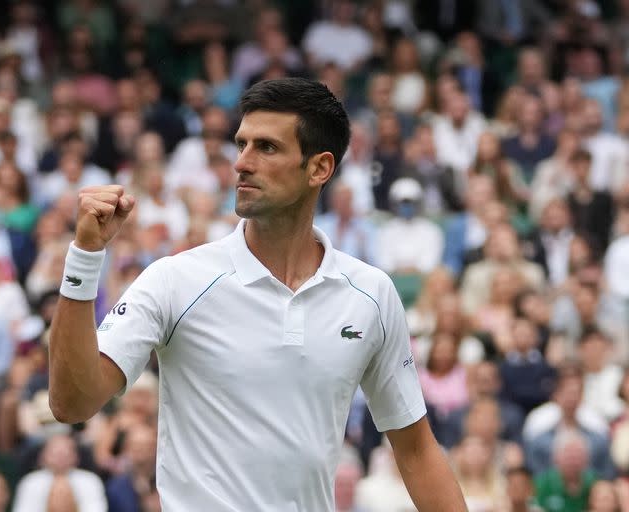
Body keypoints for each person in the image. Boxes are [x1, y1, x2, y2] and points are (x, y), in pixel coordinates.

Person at [49, 78, 467, 510]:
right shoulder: (175, 279)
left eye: (266, 147)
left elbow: (416, 450)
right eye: (241, 144)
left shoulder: (372, 295)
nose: (241, 163)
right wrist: (84, 258)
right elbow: (72, 403)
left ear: (319, 168)